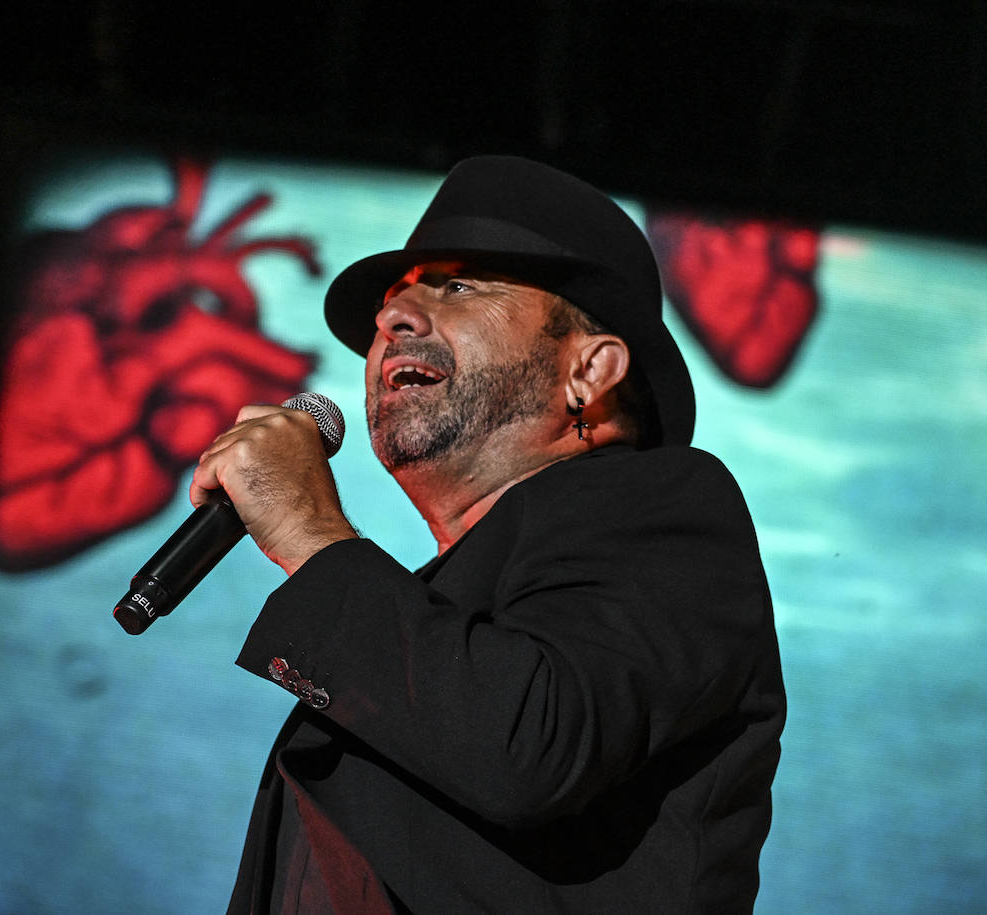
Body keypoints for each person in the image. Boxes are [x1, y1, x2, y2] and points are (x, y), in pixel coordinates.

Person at [189, 156, 786, 914]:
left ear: (589, 369)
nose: (390, 319)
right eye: (391, 304)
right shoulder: (425, 618)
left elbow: (530, 746)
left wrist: (308, 531)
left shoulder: (671, 507)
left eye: (458, 285)